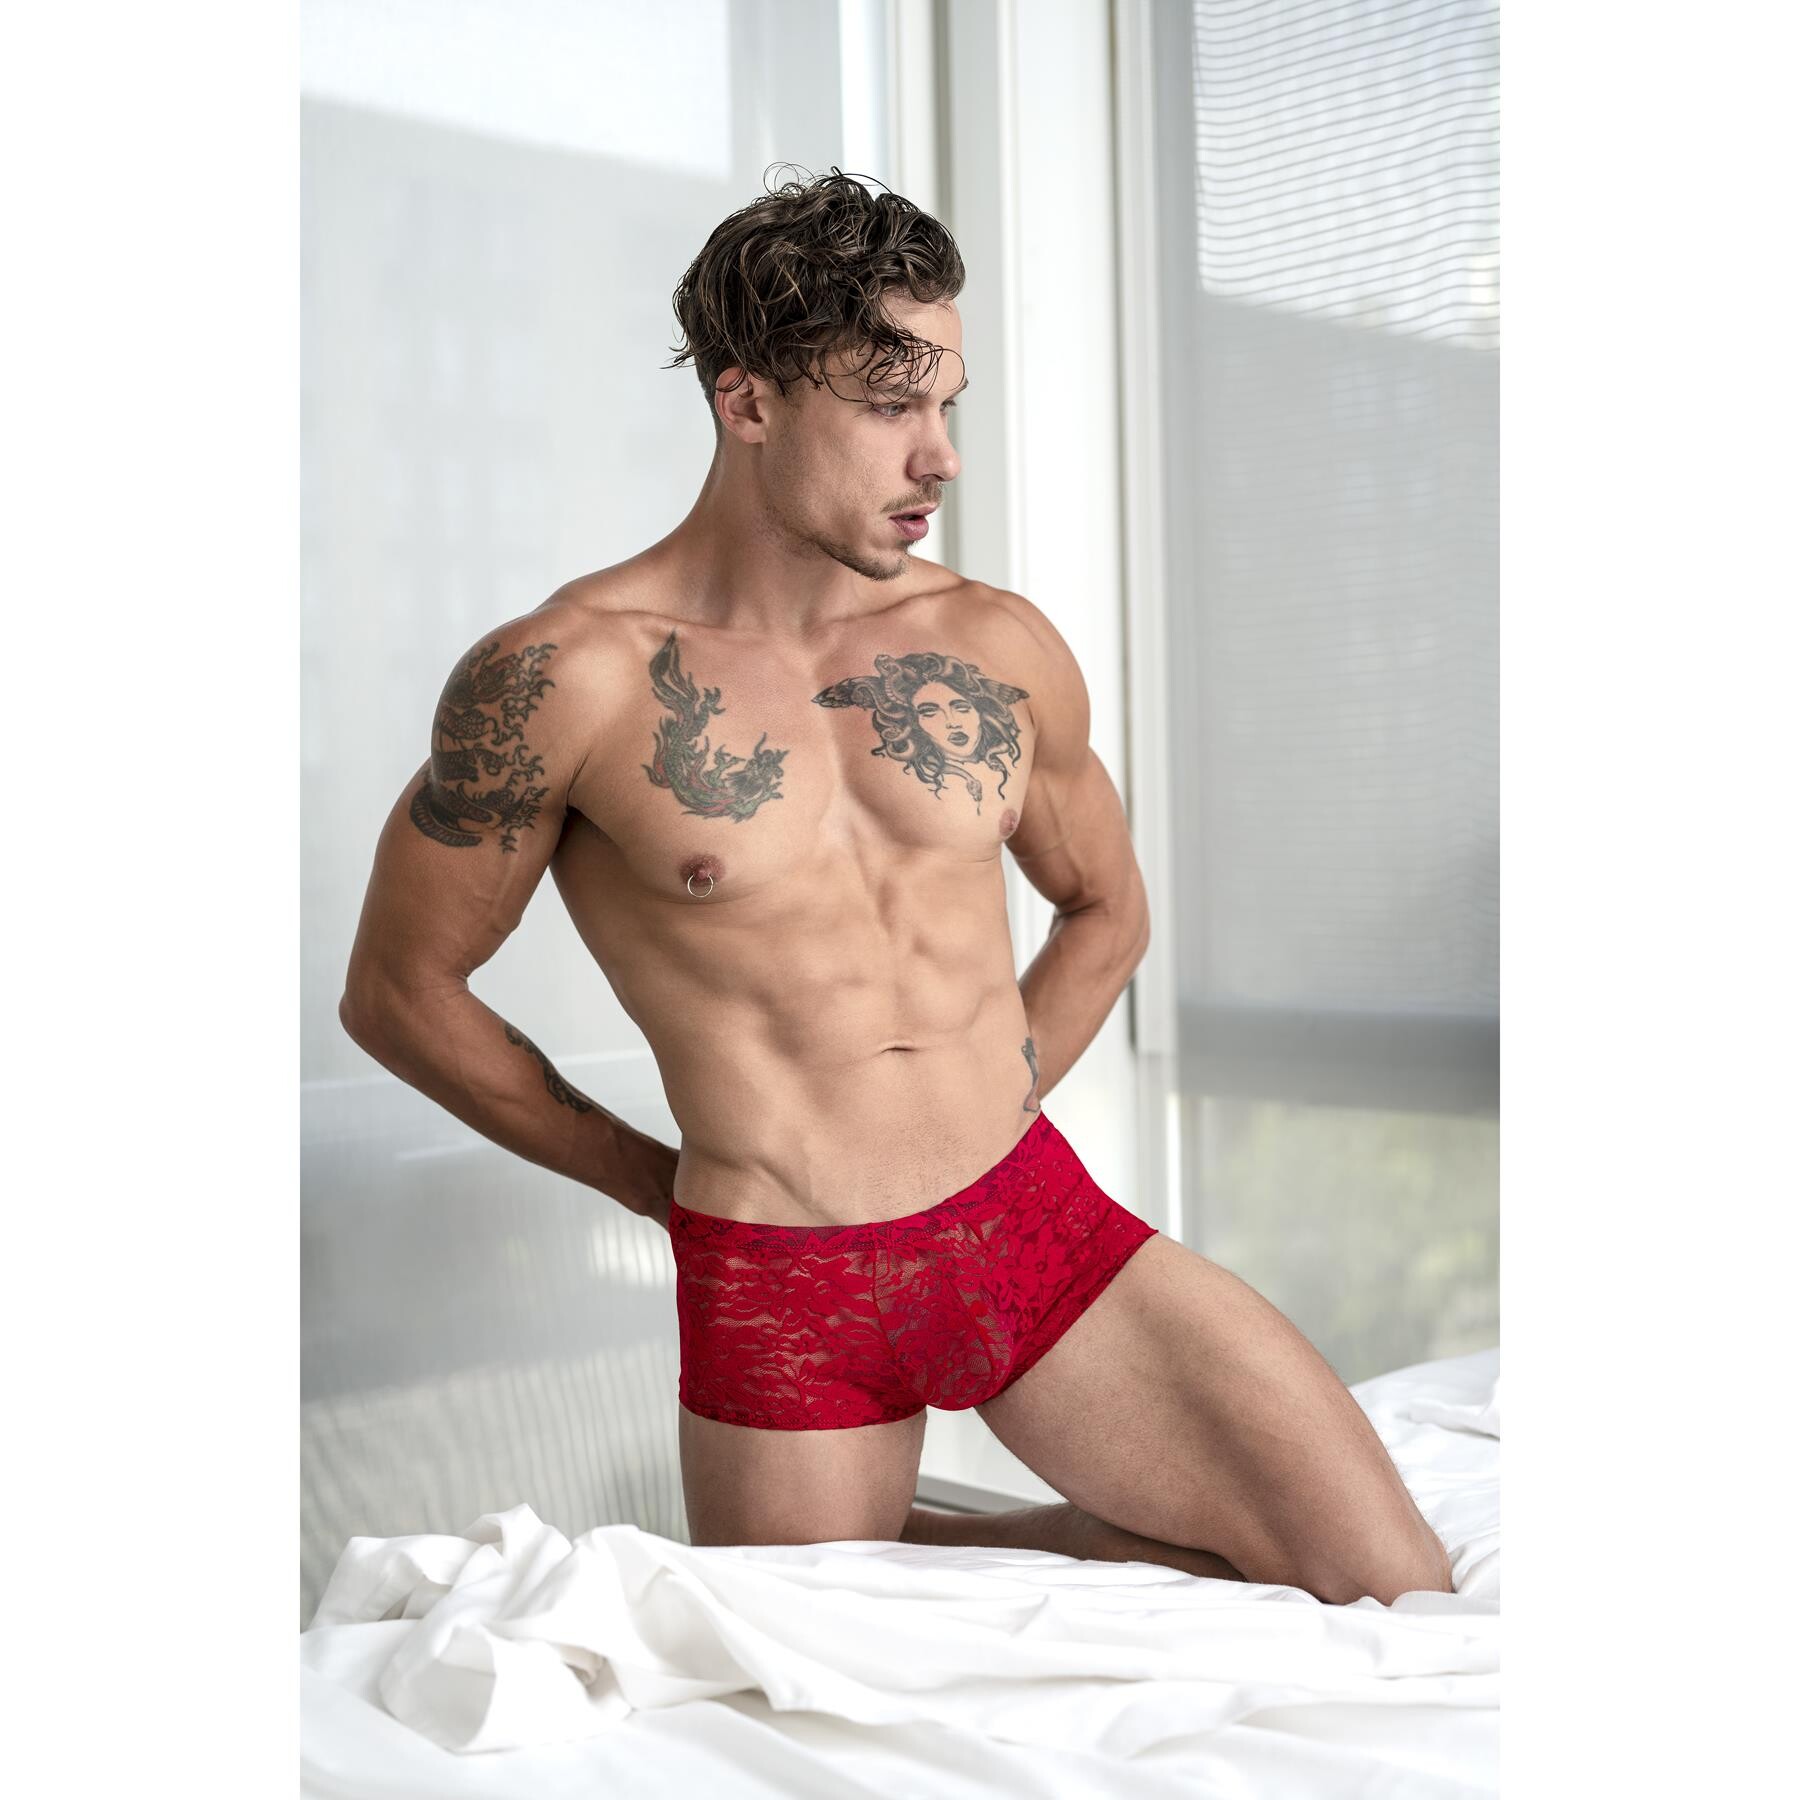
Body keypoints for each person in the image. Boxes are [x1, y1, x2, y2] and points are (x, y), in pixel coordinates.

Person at [339, 167, 1452, 1603]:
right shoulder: (566, 675)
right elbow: (401, 994)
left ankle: (954, 1531)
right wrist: (657, 1187)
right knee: (821, 1688)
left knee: (1397, 1593)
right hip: (779, 1280)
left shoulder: (993, 645)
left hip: (1024, 1225)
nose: (940, 458)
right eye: (889, 406)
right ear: (749, 402)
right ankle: (935, 1536)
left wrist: (993, 1090)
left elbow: (1107, 910)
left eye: (949, 405)